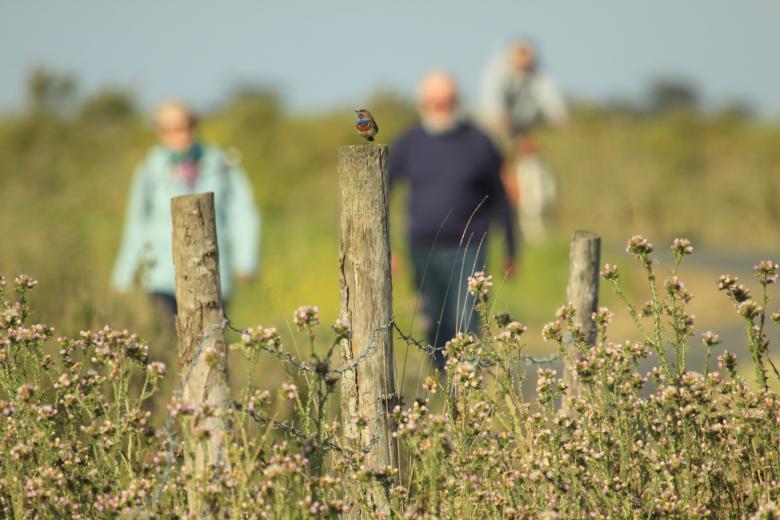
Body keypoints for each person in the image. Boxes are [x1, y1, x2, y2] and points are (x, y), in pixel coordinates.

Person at [389, 71, 517, 373]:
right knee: (434, 322)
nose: (440, 108)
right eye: (433, 102)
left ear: (457, 102)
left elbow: (501, 199)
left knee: (466, 320)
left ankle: (467, 393)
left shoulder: (480, 142)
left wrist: (512, 249)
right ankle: (443, 388)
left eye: (446, 101)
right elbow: (381, 192)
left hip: (469, 247)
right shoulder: (408, 143)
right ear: (422, 104)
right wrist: (386, 250)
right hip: (421, 248)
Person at [112, 101, 260, 321]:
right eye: (169, 129)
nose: (180, 134)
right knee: (169, 342)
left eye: (184, 126)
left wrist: (245, 260)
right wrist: (123, 276)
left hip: (213, 271)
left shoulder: (221, 163)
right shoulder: (149, 170)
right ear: (159, 132)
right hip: (162, 275)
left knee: (210, 344)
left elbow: (243, 213)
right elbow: (137, 222)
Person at [478, 39, 568, 242]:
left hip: (524, 129)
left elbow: (549, 96)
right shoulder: (497, 71)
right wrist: (501, 124)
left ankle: (532, 227)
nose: (526, 63)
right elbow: (492, 101)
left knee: (534, 176)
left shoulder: (538, 73)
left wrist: (557, 116)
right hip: (495, 130)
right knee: (494, 174)